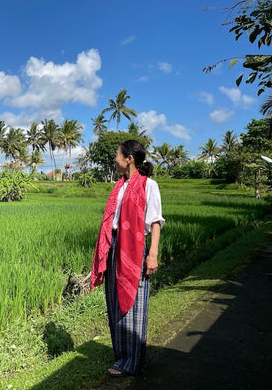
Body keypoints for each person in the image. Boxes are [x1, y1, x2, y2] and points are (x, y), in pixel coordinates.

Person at [90, 139, 165, 377]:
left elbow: (155, 222)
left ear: (129, 159)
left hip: (135, 249)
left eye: (118, 155)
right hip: (115, 247)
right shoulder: (118, 186)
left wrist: (152, 254)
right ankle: (121, 357)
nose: (115, 159)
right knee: (114, 304)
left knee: (134, 305)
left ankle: (133, 361)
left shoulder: (149, 185)